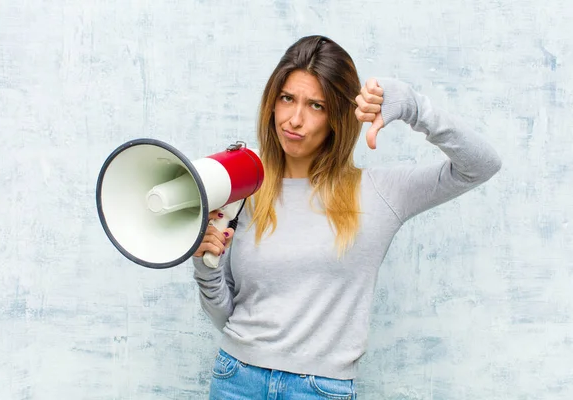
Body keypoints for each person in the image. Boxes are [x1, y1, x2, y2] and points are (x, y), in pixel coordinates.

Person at [192, 35, 501, 399]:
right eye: (287, 98)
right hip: (235, 379)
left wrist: (415, 108)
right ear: (272, 103)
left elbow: (481, 165)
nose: (295, 119)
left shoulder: (380, 194)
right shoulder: (245, 189)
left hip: (320, 389)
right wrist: (206, 268)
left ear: (337, 117)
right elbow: (224, 317)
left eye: (316, 105)